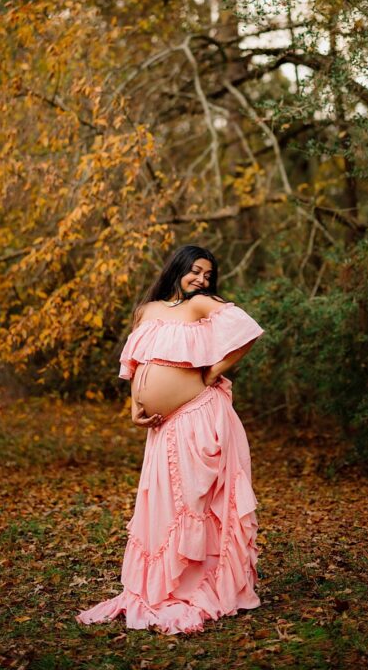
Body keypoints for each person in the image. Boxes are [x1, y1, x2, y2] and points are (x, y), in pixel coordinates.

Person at [76, 244, 265, 635]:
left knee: (194, 502)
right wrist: (134, 405)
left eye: (207, 275)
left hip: (198, 415)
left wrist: (215, 370)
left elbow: (246, 330)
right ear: (177, 268)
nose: (200, 279)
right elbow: (137, 364)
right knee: (164, 507)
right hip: (163, 426)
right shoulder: (146, 311)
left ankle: (197, 584)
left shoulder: (200, 307)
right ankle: (162, 583)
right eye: (194, 271)